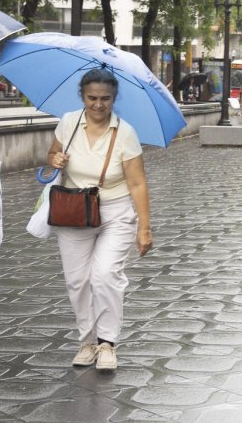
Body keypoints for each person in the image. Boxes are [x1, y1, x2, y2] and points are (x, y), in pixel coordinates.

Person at [46, 69, 153, 371]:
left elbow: (137, 183)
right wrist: (55, 159)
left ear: (114, 98)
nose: (98, 104)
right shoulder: (69, 123)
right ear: (82, 96)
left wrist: (144, 228)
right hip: (74, 210)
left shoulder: (125, 133)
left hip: (115, 212)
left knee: (105, 275)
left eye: (105, 98)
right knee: (77, 281)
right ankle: (87, 341)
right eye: (92, 97)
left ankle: (107, 343)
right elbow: (51, 153)